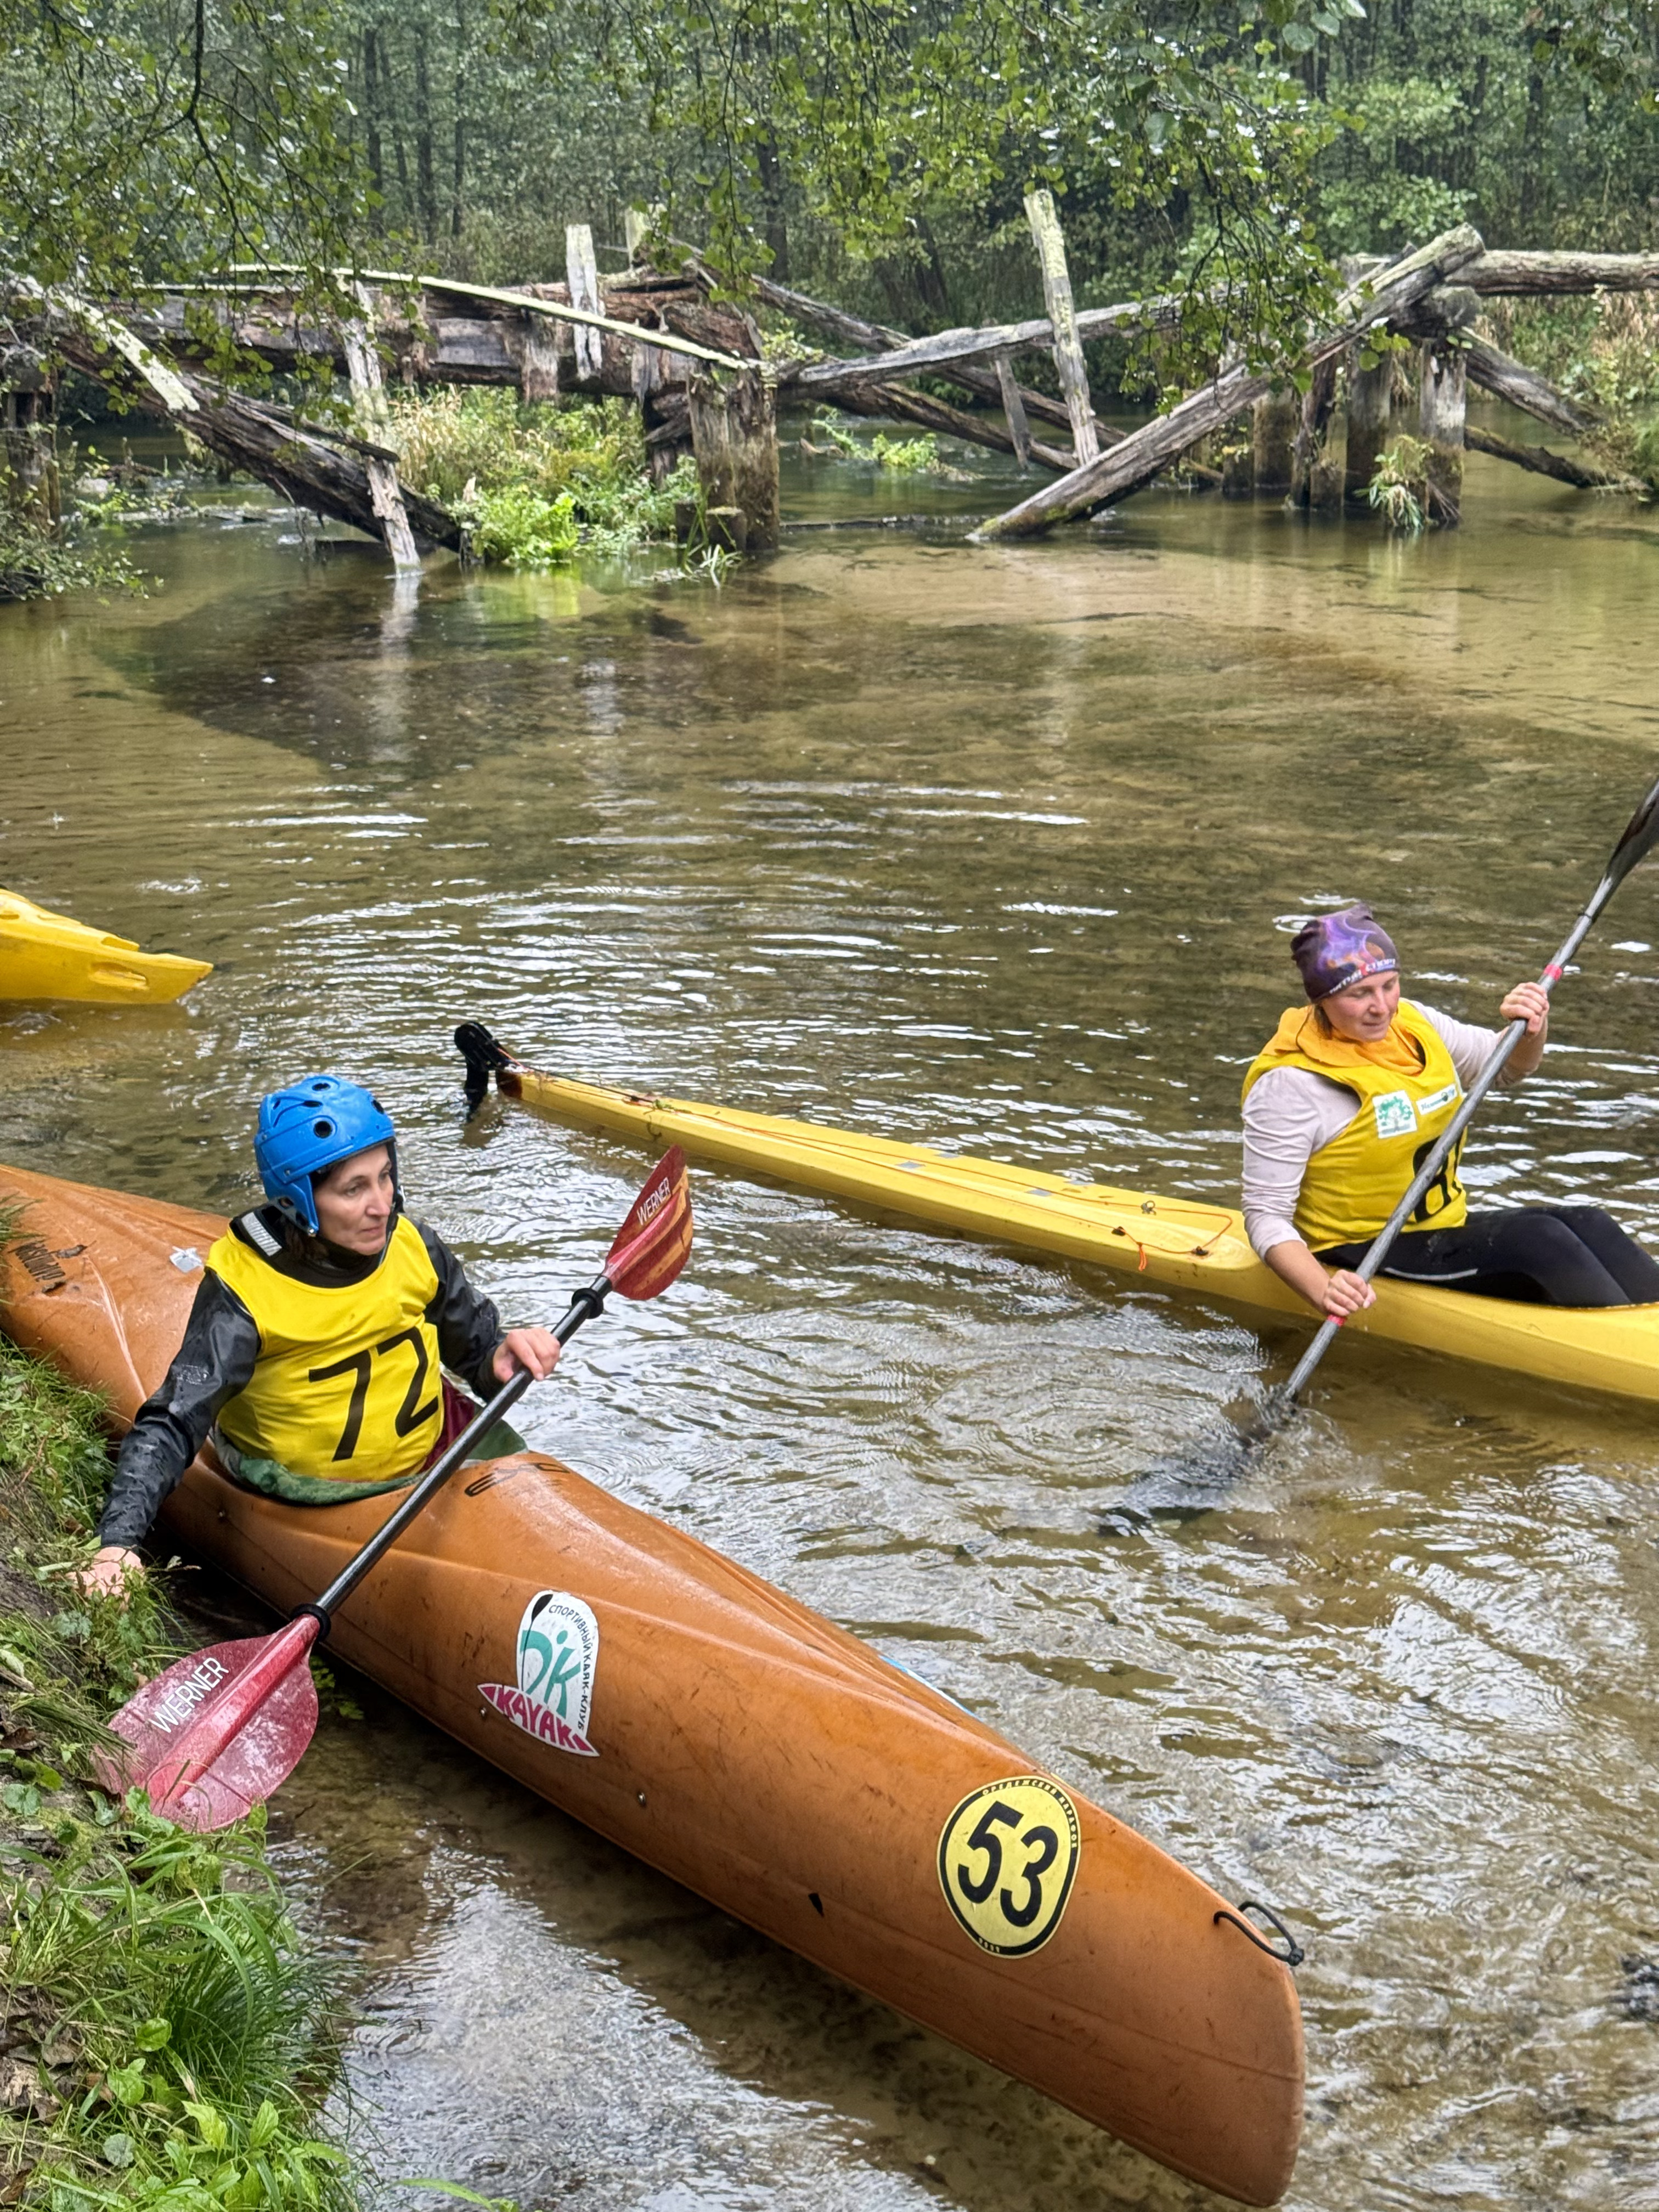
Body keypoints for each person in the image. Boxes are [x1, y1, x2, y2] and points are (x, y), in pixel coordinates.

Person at [83, 1074, 560, 1596]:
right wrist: (118, 1542)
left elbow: (477, 1353)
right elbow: (174, 1421)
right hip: (311, 1497)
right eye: (354, 1189)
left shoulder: (413, 1244)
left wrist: (500, 1360)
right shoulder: (244, 1294)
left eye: (384, 1176)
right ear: (298, 1201)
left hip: (432, 1456)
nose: (382, 1204)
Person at [1241, 903, 1659, 1319]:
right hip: (1355, 1251)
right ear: (1323, 998)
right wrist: (1323, 1289)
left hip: (1440, 1230)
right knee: (1541, 1241)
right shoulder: (1290, 1084)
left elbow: (1506, 1067)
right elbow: (1265, 1217)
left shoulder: (1414, 1023)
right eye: (1360, 994)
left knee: (1590, 1222)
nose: (1382, 1006)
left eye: (1389, 985)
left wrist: (1531, 1025)